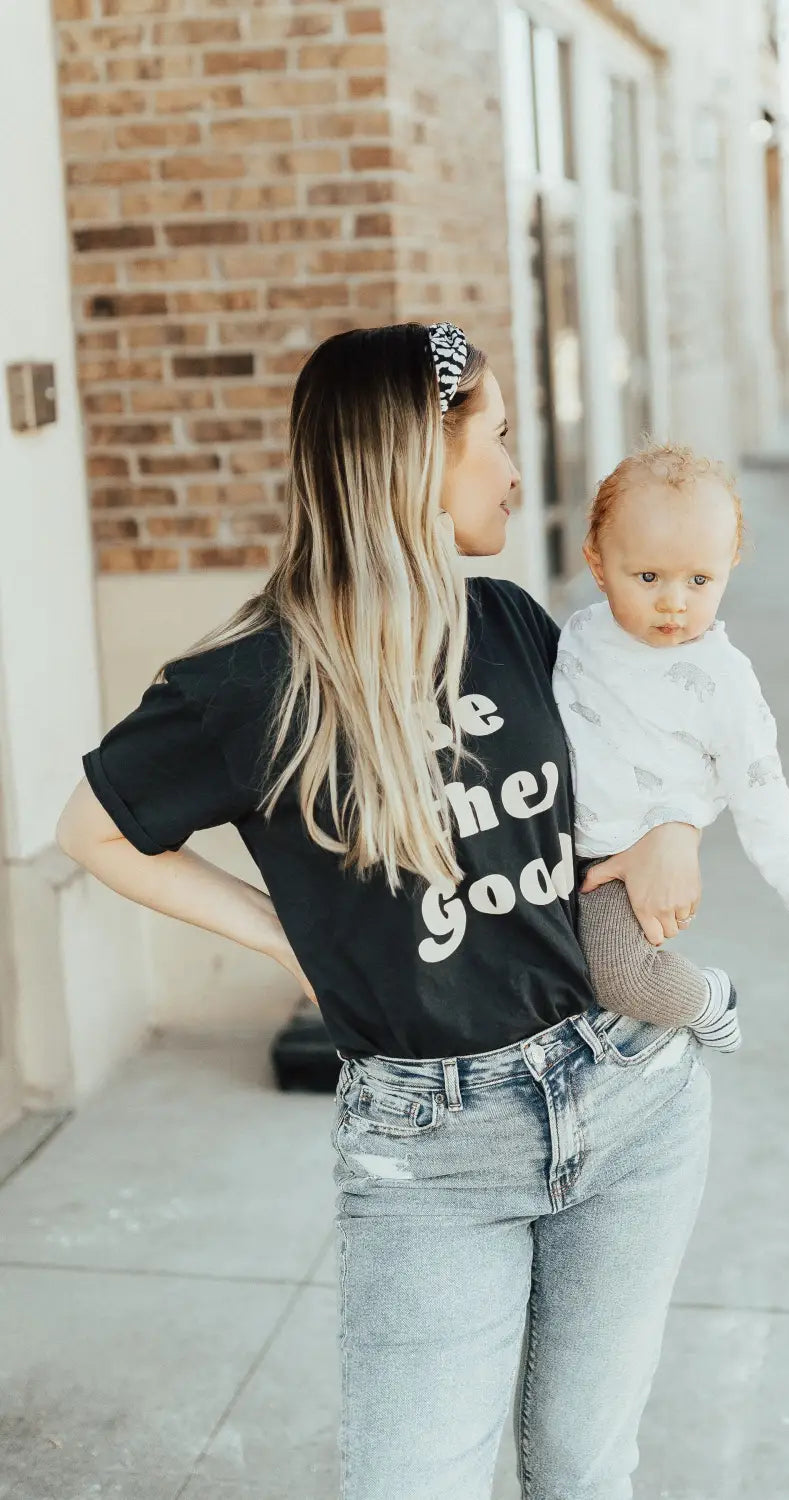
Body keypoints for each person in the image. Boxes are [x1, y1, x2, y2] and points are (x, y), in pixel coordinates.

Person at [55, 322, 714, 1500]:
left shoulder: (508, 621)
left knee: (581, 1468)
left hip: (631, 1097)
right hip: (431, 1150)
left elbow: (647, 747)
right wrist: (286, 937)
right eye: (498, 439)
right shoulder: (252, 681)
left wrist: (674, 826)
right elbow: (93, 833)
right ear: (420, 456)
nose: (518, 472)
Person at [554, 444, 789, 1054]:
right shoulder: (579, 635)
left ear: (728, 565)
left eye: (699, 580)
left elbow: (758, 781)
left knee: (623, 980)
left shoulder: (721, 676)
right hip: (549, 851)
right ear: (597, 566)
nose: (674, 602)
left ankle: (708, 1000)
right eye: (648, 577)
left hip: (621, 865)